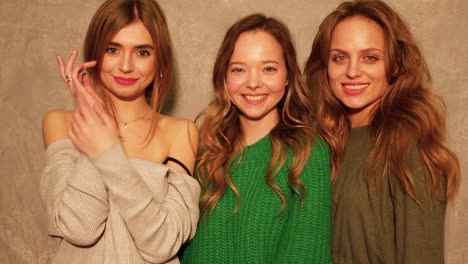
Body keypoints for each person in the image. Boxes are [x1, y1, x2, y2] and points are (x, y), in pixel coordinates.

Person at [40, 0, 200, 263]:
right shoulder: (59, 123)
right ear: (95, 53)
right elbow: (81, 229)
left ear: (160, 60)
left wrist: (107, 152)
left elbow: (161, 244)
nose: (126, 66)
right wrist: (94, 115)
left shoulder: (181, 132)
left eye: (142, 52)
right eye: (113, 49)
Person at [304, 0, 461, 263]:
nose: (353, 71)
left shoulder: (408, 146)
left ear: (396, 65)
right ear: (325, 67)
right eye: (340, 58)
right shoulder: (320, 146)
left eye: (370, 57)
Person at [179, 14, 331, 263]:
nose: (253, 83)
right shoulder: (204, 150)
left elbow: (306, 255)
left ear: (288, 77)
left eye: (268, 69)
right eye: (239, 69)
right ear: (224, 77)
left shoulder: (307, 153)